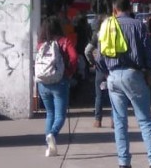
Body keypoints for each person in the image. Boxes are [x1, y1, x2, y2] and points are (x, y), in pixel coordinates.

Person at [93, 0, 151, 168]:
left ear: (114, 9)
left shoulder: (107, 26)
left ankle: (124, 162)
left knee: (119, 121)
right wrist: (149, 72)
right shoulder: (138, 25)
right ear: (130, 8)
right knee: (144, 119)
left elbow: (99, 56)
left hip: (112, 76)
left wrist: (106, 72)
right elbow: (148, 53)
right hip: (133, 74)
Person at [36, 15, 78, 157]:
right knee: (60, 115)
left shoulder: (40, 45)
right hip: (60, 81)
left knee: (50, 114)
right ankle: (52, 135)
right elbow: (73, 58)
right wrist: (68, 72)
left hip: (43, 83)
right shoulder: (64, 42)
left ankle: (50, 147)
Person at [84, 15, 112, 128]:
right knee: (114, 95)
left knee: (99, 95)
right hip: (113, 68)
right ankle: (114, 120)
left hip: (100, 68)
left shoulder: (97, 35)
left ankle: (98, 120)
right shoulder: (114, 34)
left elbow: (87, 51)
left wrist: (93, 62)